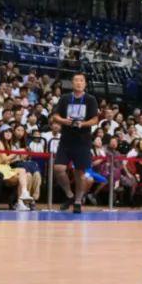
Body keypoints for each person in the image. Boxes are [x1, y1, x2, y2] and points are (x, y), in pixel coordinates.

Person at [52, 72, 99, 213]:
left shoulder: (90, 99)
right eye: (76, 80)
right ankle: (69, 195)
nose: (79, 83)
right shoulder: (65, 98)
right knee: (58, 168)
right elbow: (55, 116)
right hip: (66, 139)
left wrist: (83, 124)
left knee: (80, 173)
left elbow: (95, 119)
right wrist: (64, 121)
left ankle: (78, 200)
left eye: (81, 80)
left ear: (85, 84)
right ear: (72, 83)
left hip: (83, 140)